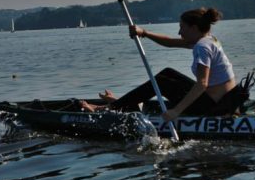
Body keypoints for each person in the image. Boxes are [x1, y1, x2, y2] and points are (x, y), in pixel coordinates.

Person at [81, 8, 240, 121]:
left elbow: (202, 84)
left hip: (213, 108)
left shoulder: (202, 47)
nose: (179, 32)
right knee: (168, 73)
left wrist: (176, 112)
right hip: (224, 103)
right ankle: (122, 104)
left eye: (181, 27)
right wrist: (144, 33)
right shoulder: (209, 40)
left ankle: (111, 109)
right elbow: (170, 43)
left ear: (193, 27)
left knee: (162, 82)